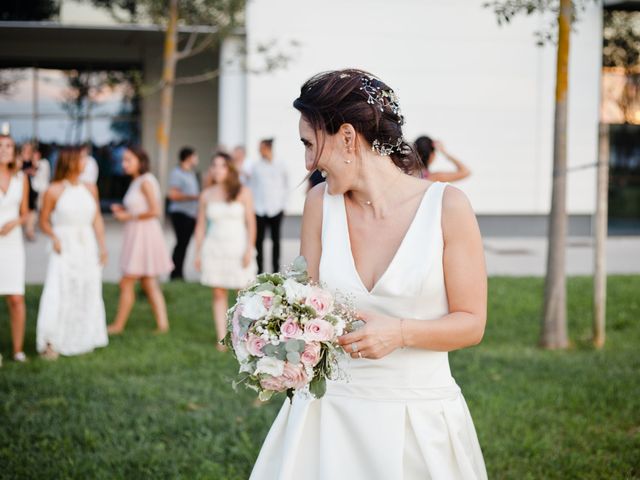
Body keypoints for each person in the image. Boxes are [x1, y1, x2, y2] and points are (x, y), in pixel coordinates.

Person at [250, 69, 488, 479]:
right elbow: (304, 307)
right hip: (329, 416)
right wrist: (273, 341)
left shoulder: (448, 207)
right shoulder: (319, 205)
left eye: (310, 144)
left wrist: (399, 333)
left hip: (419, 415)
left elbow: (472, 325)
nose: (308, 162)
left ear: (347, 137)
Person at [37, 147, 109, 359]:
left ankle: (85, 335)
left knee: (88, 287)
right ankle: (52, 338)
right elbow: (43, 220)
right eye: (82, 158)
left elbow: (97, 219)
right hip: (65, 245)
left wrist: (103, 246)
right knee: (60, 288)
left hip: (87, 244)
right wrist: (54, 237)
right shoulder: (54, 190)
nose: (86, 162)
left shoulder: (90, 188)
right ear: (70, 162)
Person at [194, 152, 257, 351]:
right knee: (218, 293)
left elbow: (251, 223)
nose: (217, 170)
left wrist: (249, 249)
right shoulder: (206, 194)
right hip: (214, 248)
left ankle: (242, 335)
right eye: (214, 165)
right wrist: (197, 253)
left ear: (229, 169)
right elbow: (201, 226)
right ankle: (222, 337)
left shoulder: (243, 192)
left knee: (242, 294)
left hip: (237, 247)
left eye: (222, 166)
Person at [108, 147, 172, 335]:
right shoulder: (137, 180)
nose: (124, 164)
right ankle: (162, 325)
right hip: (138, 233)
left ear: (140, 160)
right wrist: (123, 210)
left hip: (144, 235)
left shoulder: (145, 181)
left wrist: (127, 216)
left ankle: (118, 326)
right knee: (148, 282)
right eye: (123, 160)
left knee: (127, 281)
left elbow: (155, 210)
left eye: (128, 160)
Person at [0, 134, 29, 364]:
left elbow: (25, 212)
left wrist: (15, 223)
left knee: (16, 298)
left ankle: (18, 350)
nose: (4, 149)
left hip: (12, 243)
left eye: (8, 146)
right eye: (0, 146)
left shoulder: (21, 178)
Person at [247, 138, 288, 273]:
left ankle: (276, 271)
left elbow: (285, 186)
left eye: (261, 148)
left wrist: (283, 206)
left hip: (276, 209)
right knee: (259, 242)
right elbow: (251, 186)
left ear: (268, 148)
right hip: (259, 209)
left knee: (276, 242)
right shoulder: (256, 166)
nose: (259, 151)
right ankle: (259, 271)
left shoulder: (281, 164)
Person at [167, 146, 200, 280]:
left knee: (184, 244)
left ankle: (179, 273)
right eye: (195, 156)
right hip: (180, 214)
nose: (197, 159)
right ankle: (175, 274)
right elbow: (173, 195)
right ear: (188, 157)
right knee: (181, 244)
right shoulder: (177, 173)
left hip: (190, 214)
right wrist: (194, 197)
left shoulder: (190, 173)